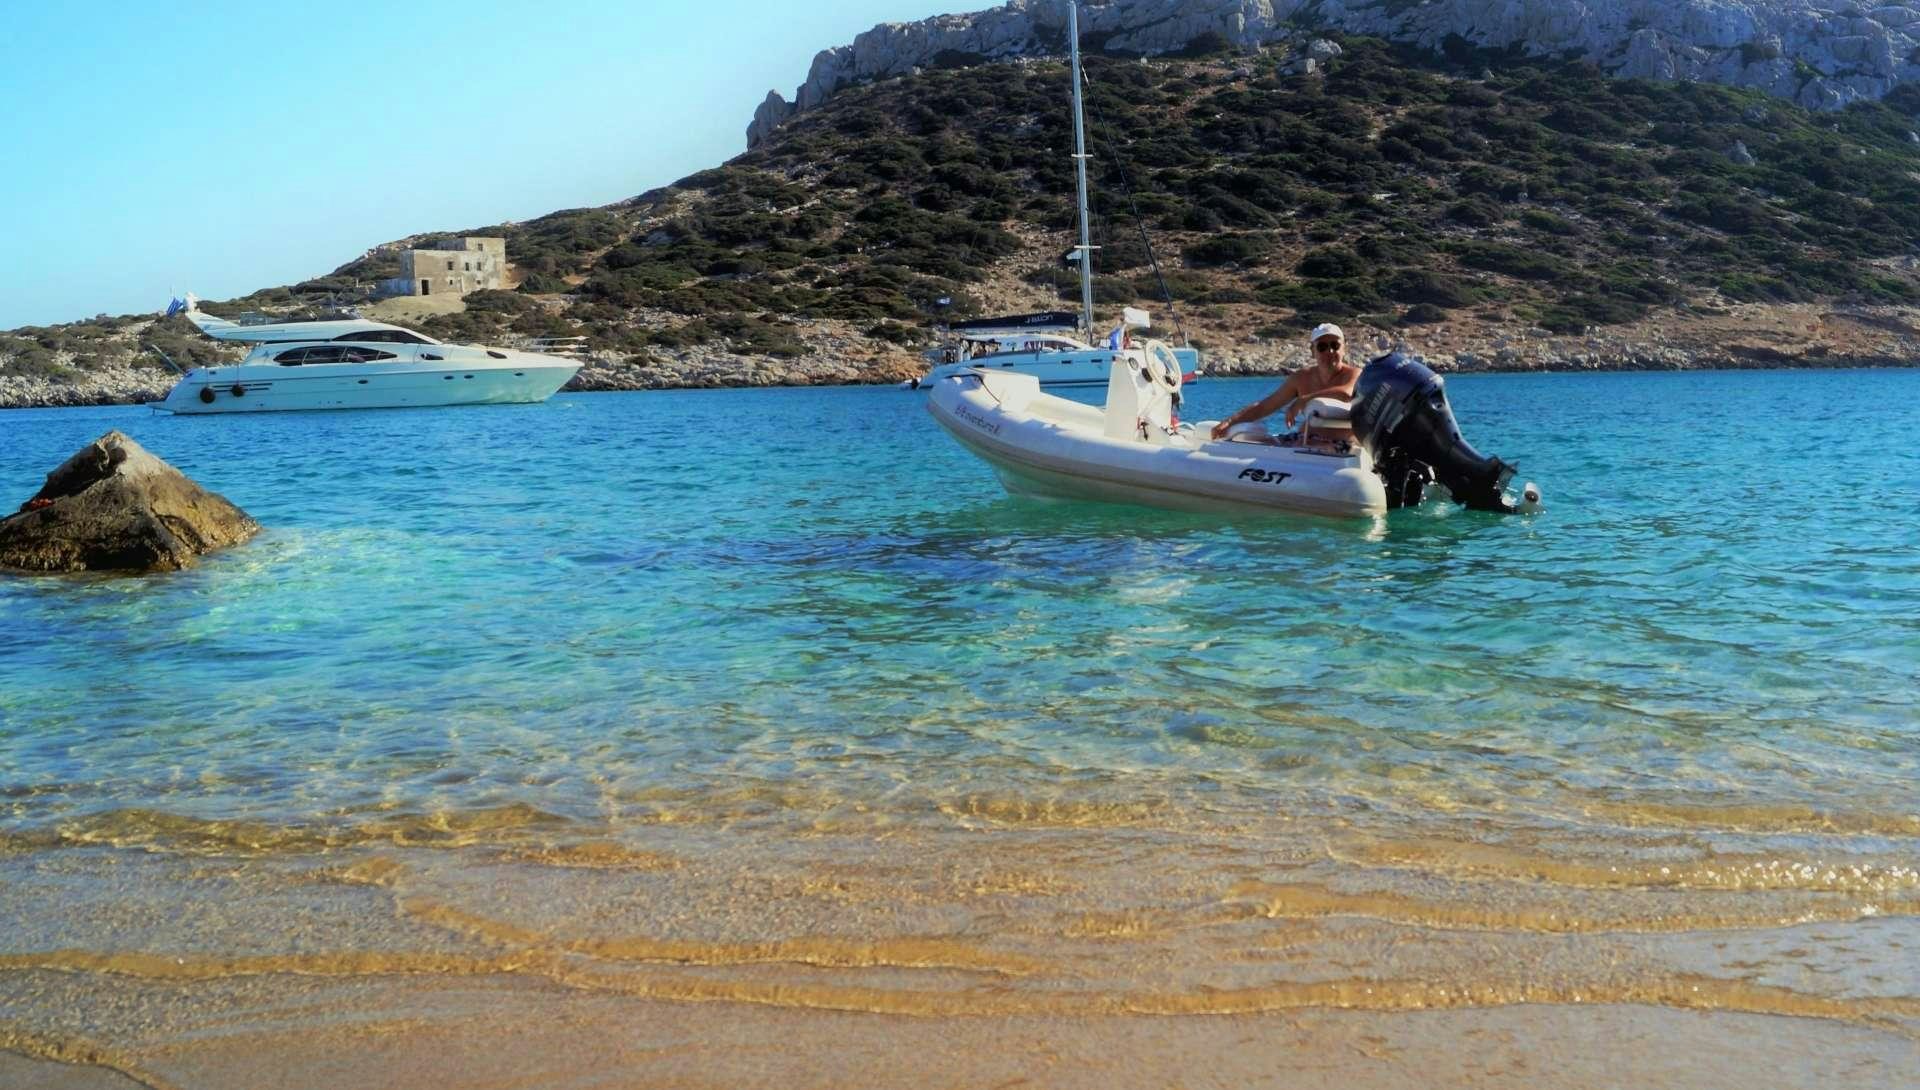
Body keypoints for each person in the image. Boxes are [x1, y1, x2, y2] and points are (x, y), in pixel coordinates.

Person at [1210, 323, 1360, 441]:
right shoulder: (1301, 378)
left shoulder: (1354, 373)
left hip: (1341, 444)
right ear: (1312, 351)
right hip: (1305, 440)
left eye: (1335, 345)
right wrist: (1230, 422)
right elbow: (1265, 407)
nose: (1330, 351)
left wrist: (1304, 400)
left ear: (1344, 349)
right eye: (1322, 347)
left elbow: (1346, 393)